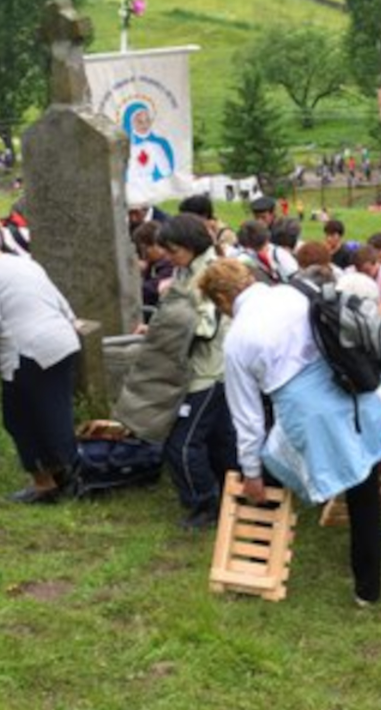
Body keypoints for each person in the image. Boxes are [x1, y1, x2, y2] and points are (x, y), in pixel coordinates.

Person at [199, 258, 381, 607]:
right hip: (353, 388)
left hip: (310, 412)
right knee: (364, 491)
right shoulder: (294, 292)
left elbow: (248, 418)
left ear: (222, 300)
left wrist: (251, 472)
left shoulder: (237, 340)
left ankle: (254, 560)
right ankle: (368, 589)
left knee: (272, 470)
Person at [0, 223, 81, 503]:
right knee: (55, 412)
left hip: (27, 351)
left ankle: (45, 484)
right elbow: (61, 302)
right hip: (63, 342)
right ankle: (67, 474)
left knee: (19, 418)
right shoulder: (26, 263)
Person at [156, 214, 237, 530]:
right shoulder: (187, 269)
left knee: (182, 443)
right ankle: (232, 497)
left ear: (190, 245)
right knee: (220, 441)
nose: (168, 256)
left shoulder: (209, 273)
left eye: (173, 250)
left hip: (208, 372)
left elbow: (207, 326)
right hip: (203, 370)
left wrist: (170, 320)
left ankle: (203, 504)